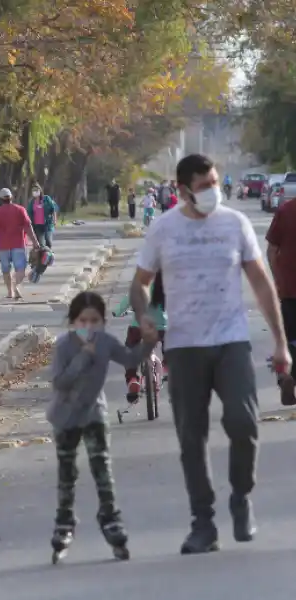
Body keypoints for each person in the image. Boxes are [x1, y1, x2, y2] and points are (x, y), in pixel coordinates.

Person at [130, 153, 291, 554]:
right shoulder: (164, 229)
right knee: (192, 437)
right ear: (183, 189)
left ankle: (241, 496)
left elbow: (261, 282)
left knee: (244, 422)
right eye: (204, 186)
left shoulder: (234, 224)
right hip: (185, 346)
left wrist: (280, 342)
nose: (212, 192)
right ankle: (203, 522)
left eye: (215, 183)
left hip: (231, 340)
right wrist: (145, 315)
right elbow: (140, 282)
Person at [47, 291, 155, 560]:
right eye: (83, 321)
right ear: (73, 322)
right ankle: (65, 520)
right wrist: (83, 357)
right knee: (67, 472)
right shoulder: (64, 346)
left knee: (102, 468)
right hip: (66, 416)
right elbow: (60, 381)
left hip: (94, 412)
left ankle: (109, 516)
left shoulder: (105, 342)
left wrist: (149, 343)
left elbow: (129, 359)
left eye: (95, 321)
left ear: (103, 322)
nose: (89, 327)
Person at [113, 271, 168, 405]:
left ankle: (133, 379)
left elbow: (127, 301)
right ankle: (168, 366)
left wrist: (117, 311)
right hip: (161, 327)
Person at [265, 193, 296, 405]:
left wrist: (277, 279)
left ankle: (287, 376)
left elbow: (271, 250)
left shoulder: (286, 210)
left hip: (289, 288)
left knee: (290, 338)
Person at [0, 188, 41, 300]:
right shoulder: (20, 210)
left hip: (3, 245)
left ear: (0, 199)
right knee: (20, 269)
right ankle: (16, 285)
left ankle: (10, 292)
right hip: (18, 244)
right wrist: (35, 242)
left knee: (6, 270)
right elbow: (28, 227)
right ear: (11, 197)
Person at [26, 184, 58, 248]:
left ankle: (49, 253)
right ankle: (43, 253)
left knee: (48, 241)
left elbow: (53, 209)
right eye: (33, 190)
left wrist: (55, 219)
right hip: (37, 226)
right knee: (40, 244)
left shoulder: (46, 198)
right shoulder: (32, 202)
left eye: (36, 190)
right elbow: (29, 213)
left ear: (40, 190)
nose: (35, 192)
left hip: (47, 224)